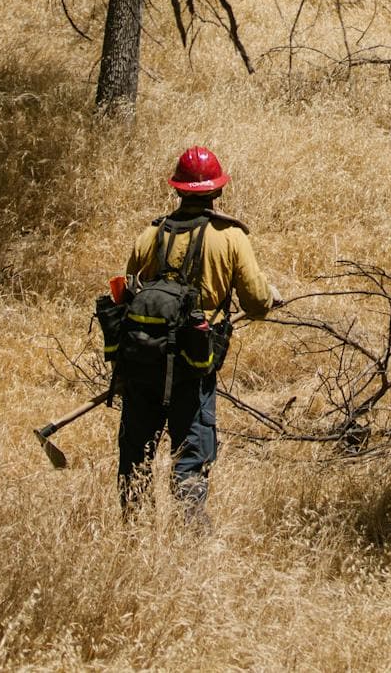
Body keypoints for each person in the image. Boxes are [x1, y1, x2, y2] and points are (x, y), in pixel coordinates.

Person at [116, 145, 278, 522]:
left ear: (177, 190)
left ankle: (133, 531)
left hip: (143, 362)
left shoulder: (149, 235)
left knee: (135, 452)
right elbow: (256, 303)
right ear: (217, 191)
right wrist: (268, 298)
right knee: (192, 454)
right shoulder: (231, 238)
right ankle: (191, 541)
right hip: (194, 362)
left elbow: (125, 297)